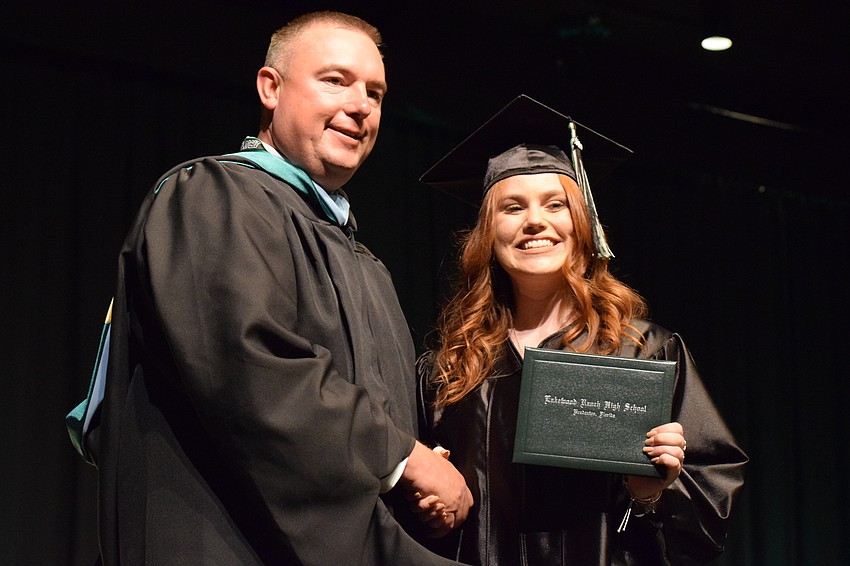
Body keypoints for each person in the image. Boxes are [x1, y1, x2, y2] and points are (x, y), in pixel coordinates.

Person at [67, 11, 471, 565]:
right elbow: (250, 369)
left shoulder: (364, 263)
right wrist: (403, 459)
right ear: (270, 88)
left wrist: (413, 488)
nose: (360, 105)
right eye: (336, 80)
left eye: (375, 93)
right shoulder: (213, 197)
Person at [414, 95, 748, 565]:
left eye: (556, 204)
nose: (535, 221)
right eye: (512, 207)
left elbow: (710, 507)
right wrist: (429, 508)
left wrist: (651, 493)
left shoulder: (644, 351)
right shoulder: (450, 370)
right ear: (487, 234)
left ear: (583, 224)